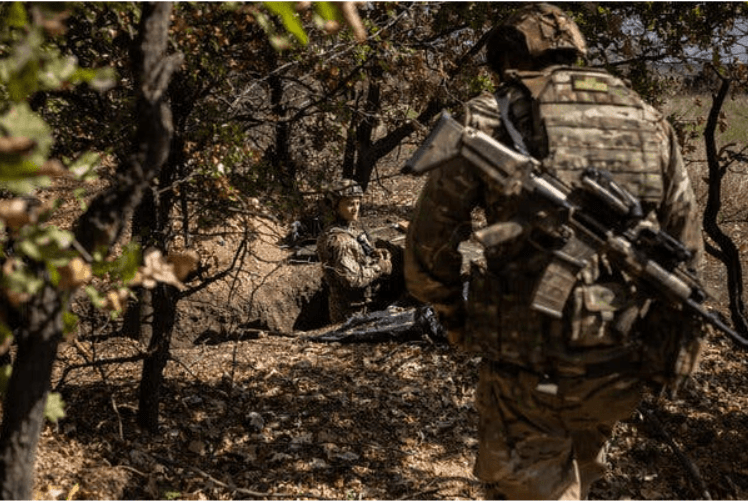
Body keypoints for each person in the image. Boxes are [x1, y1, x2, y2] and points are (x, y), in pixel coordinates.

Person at [404, 4, 705, 500]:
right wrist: (664, 349)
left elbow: (429, 245)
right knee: (581, 476)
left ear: (507, 58)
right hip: (612, 355)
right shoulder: (648, 120)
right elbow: (686, 252)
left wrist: (453, 316)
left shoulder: (491, 114)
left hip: (526, 364)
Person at [317, 179, 392, 324]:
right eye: (350, 204)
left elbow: (357, 256)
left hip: (359, 305)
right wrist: (380, 267)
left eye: (358, 203)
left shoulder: (346, 230)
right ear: (335, 206)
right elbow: (352, 280)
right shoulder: (340, 241)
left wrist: (374, 253)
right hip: (350, 312)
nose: (355, 208)